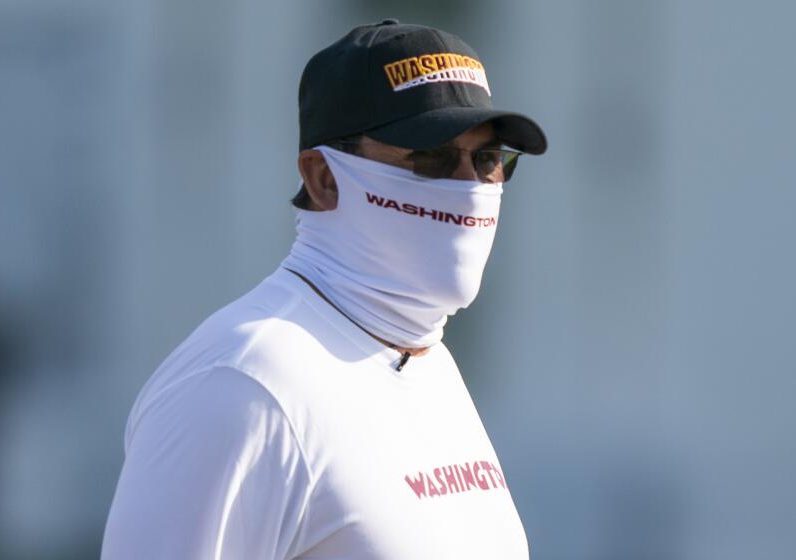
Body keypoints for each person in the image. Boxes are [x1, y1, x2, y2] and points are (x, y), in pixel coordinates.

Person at [102, 19, 546, 559]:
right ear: (324, 178)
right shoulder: (241, 387)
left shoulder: (424, 359)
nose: (470, 188)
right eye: (429, 158)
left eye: (488, 159)